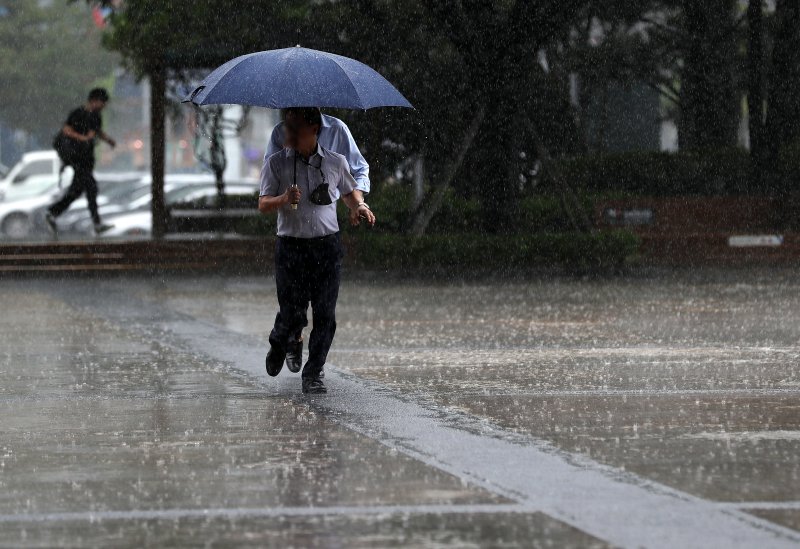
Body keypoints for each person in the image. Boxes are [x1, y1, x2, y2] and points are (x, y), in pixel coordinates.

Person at [258, 107, 375, 394]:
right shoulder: (276, 163)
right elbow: (262, 204)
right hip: (291, 248)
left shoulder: (335, 161)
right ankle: (280, 339)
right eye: (286, 128)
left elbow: (348, 193)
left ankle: (313, 373)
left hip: (326, 247)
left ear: (314, 128)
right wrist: (284, 198)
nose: (286, 134)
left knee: (325, 314)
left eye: (294, 129)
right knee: (292, 312)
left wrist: (359, 206)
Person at [46, 88, 116, 235]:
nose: (103, 106)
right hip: (76, 158)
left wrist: (108, 140)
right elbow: (66, 130)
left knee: (76, 191)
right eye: (102, 102)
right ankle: (97, 224)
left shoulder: (96, 117)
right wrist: (82, 138)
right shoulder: (78, 113)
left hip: (86, 159)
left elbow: (96, 131)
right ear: (95, 100)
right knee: (91, 187)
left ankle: (53, 213)